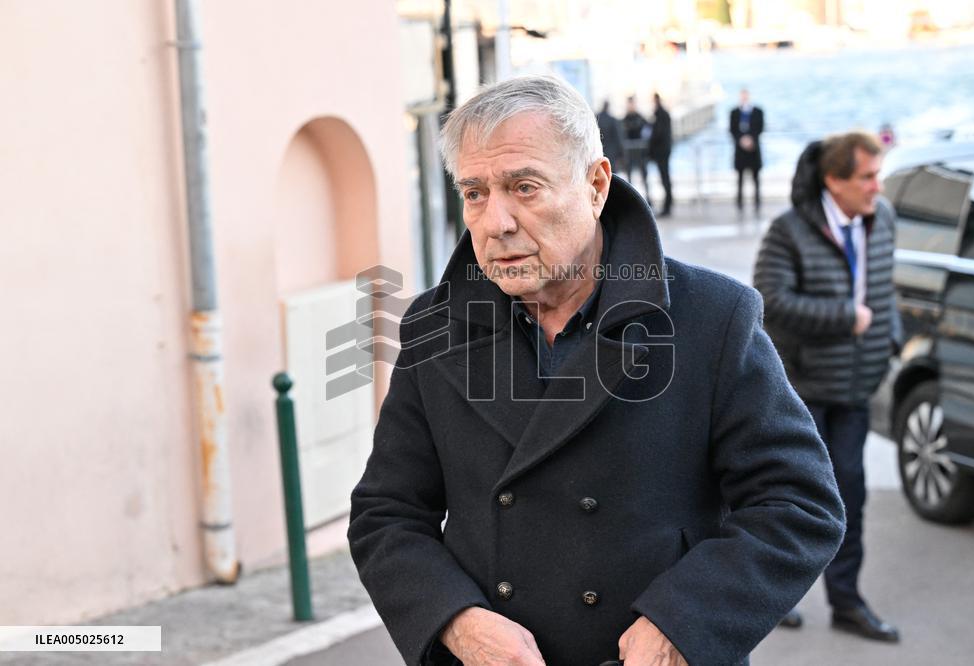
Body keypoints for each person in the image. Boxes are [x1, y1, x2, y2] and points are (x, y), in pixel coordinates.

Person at [349, 75, 846, 666]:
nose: (495, 222)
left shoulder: (712, 318)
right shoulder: (434, 326)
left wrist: (683, 623)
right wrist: (458, 621)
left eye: (524, 187)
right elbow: (387, 513)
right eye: (475, 192)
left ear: (596, 185)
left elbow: (799, 503)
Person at [753, 132, 903, 643]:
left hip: (855, 390)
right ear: (834, 180)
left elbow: (884, 287)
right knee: (790, 504)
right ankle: (774, 598)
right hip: (802, 392)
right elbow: (768, 301)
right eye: (867, 177)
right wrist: (847, 319)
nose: (877, 188)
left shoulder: (882, 219)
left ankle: (846, 602)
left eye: (879, 175)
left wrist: (890, 336)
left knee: (850, 500)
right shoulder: (789, 230)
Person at [729, 88, 764, 213]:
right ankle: (739, 203)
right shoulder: (734, 112)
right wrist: (741, 140)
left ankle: (757, 202)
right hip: (740, 151)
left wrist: (751, 140)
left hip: (753, 150)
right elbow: (732, 129)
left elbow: (760, 127)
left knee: (756, 178)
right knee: (740, 178)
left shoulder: (758, 111)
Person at [622, 95, 651, 204]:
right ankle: (632, 202)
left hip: (640, 153)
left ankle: (648, 200)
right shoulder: (625, 119)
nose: (631, 106)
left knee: (645, 178)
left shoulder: (640, 118)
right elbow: (623, 135)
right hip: (630, 154)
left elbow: (648, 130)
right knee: (630, 179)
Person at [649, 93, 673, 216]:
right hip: (664, 151)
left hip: (661, 152)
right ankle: (668, 204)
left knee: (665, 178)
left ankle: (668, 205)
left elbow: (657, 134)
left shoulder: (660, 115)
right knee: (665, 178)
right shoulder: (664, 114)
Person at [596, 100, 626, 174]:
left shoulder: (596, 118)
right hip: (611, 151)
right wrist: (621, 153)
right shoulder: (612, 120)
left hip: (598, 151)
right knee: (611, 173)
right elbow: (618, 137)